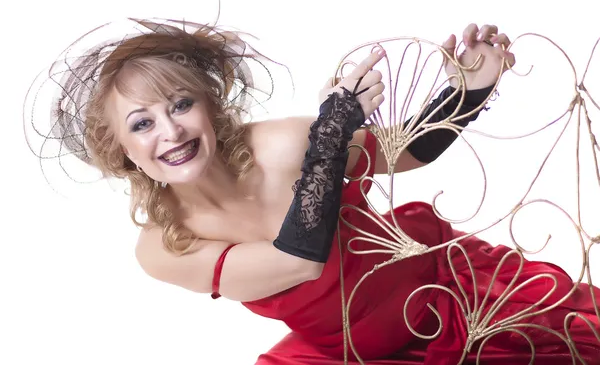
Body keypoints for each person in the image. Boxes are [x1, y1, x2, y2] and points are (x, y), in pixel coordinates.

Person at [27, 18, 599, 364]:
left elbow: (411, 153)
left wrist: (471, 91)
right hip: (350, 355)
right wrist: (331, 132)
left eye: (181, 105)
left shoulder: (283, 143)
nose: (171, 131)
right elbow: (298, 262)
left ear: (208, 107)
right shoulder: (164, 248)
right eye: (142, 123)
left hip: (457, 294)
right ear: (122, 152)